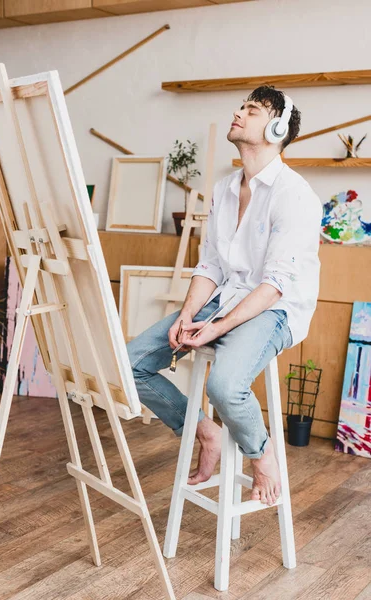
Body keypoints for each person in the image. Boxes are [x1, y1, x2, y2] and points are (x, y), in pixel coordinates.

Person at [127, 85, 322, 507]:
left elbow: (275, 284)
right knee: (130, 366)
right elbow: (211, 264)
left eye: (251, 110)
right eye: (242, 107)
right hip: (227, 296)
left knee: (226, 385)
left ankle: (262, 455)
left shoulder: (295, 195)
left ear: (275, 127)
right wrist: (188, 314)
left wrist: (216, 326)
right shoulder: (225, 188)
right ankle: (204, 433)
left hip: (275, 307)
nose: (238, 113)